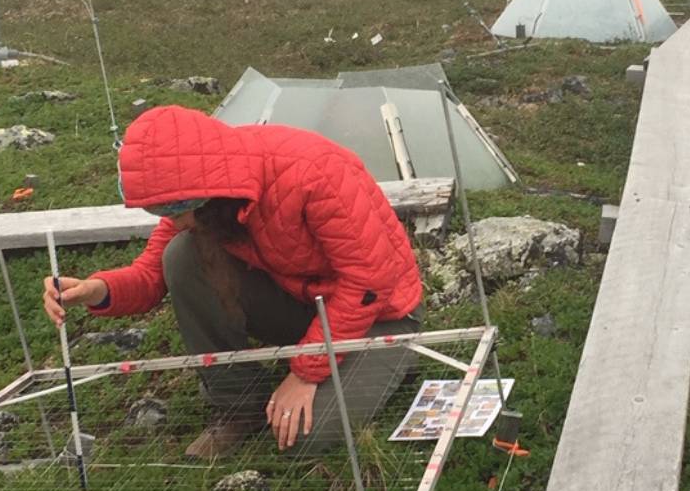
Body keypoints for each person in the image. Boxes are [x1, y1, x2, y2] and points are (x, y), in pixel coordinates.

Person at [43, 105, 424, 455]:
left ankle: (388, 358)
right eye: (159, 210)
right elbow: (150, 274)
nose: (172, 220)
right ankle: (239, 403)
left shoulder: (313, 171)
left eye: (175, 209)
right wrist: (97, 290)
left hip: (380, 316)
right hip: (305, 307)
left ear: (207, 190)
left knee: (309, 435)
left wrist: (306, 373)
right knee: (181, 255)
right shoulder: (199, 193)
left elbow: (369, 281)